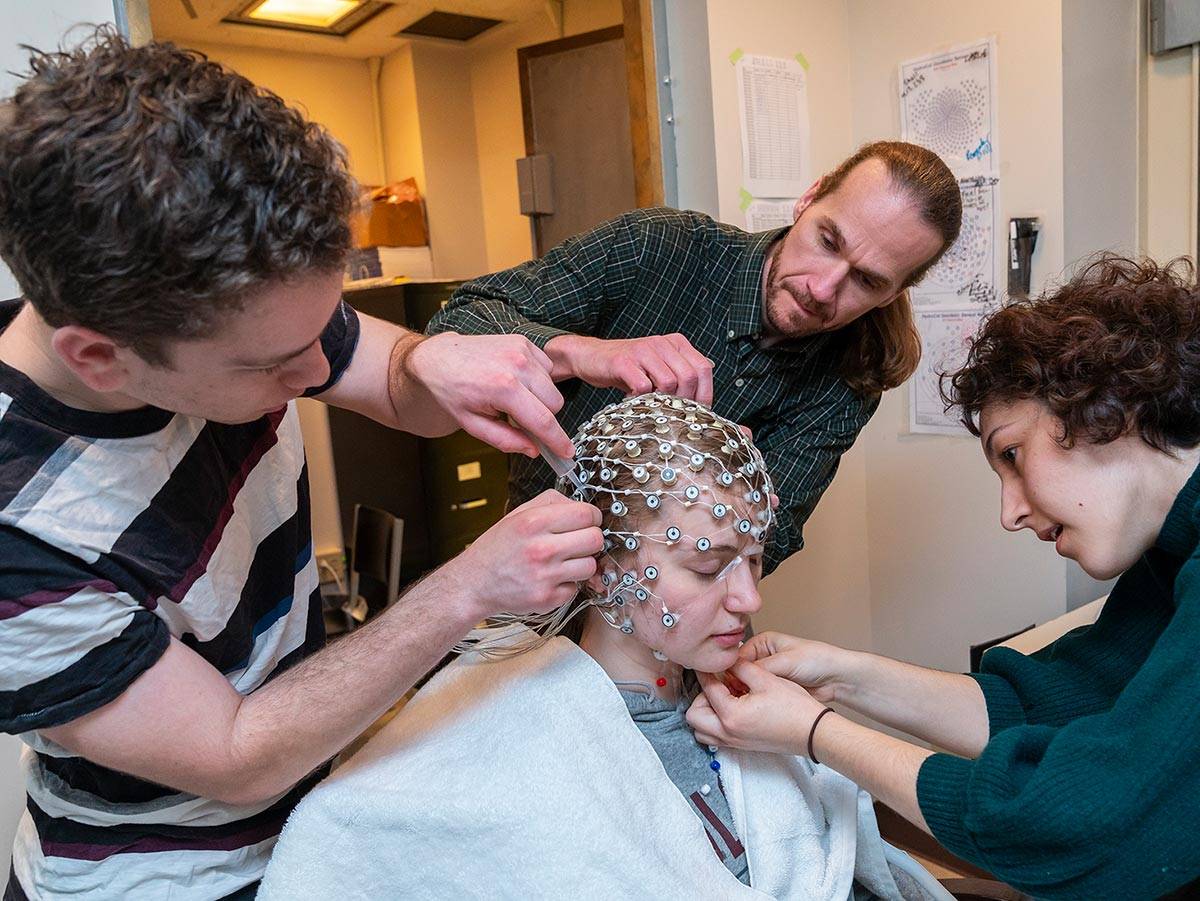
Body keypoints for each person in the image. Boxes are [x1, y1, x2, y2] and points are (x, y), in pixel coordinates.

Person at [0, 32, 605, 900]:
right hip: (167, 874)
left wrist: (436, 364)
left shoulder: (250, 300)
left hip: (313, 815)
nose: (317, 374)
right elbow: (237, 755)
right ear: (100, 359)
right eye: (277, 365)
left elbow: (394, 384)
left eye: (322, 330)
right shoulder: (19, 537)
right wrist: (470, 585)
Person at [259, 394, 952, 901]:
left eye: (756, 560)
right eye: (710, 567)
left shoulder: (758, 704)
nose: (750, 599)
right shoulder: (505, 720)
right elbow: (334, 836)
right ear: (604, 563)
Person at [685, 256, 1200, 899]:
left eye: (1012, 456)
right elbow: (1057, 699)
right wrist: (841, 675)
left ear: (1112, 408)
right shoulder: (1172, 557)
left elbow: (1082, 822)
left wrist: (815, 734)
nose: (1010, 512)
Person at [428, 141, 962, 573]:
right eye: (827, 241)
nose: (823, 289)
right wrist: (583, 354)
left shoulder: (850, 378)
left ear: (892, 294)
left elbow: (768, 544)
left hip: (666, 623)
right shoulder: (657, 248)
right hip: (528, 573)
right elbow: (458, 321)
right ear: (810, 198)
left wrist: (709, 477)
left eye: (866, 281)